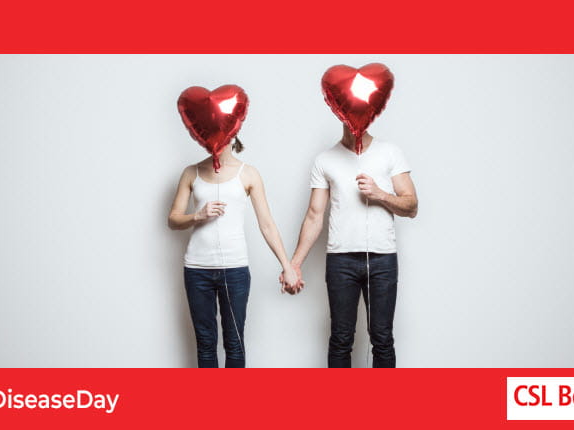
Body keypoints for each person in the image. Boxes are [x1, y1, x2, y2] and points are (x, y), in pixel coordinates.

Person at [282, 125, 418, 368]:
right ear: (340, 112)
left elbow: (412, 207)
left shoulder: (390, 152)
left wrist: (380, 194)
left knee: (382, 338)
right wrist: (295, 264)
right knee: (341, 339)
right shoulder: (325, 160)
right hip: (341, 261)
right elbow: (314, 215)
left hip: (383, 259)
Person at [169, 138, 299, 368]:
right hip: (197, 270)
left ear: (233, 133)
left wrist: (287, 266)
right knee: (205, 343)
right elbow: (173, 220)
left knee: (235, 342)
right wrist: (198, 215)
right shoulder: (191, 172)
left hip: (235, 270)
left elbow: (267, 224)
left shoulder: (248, 173)